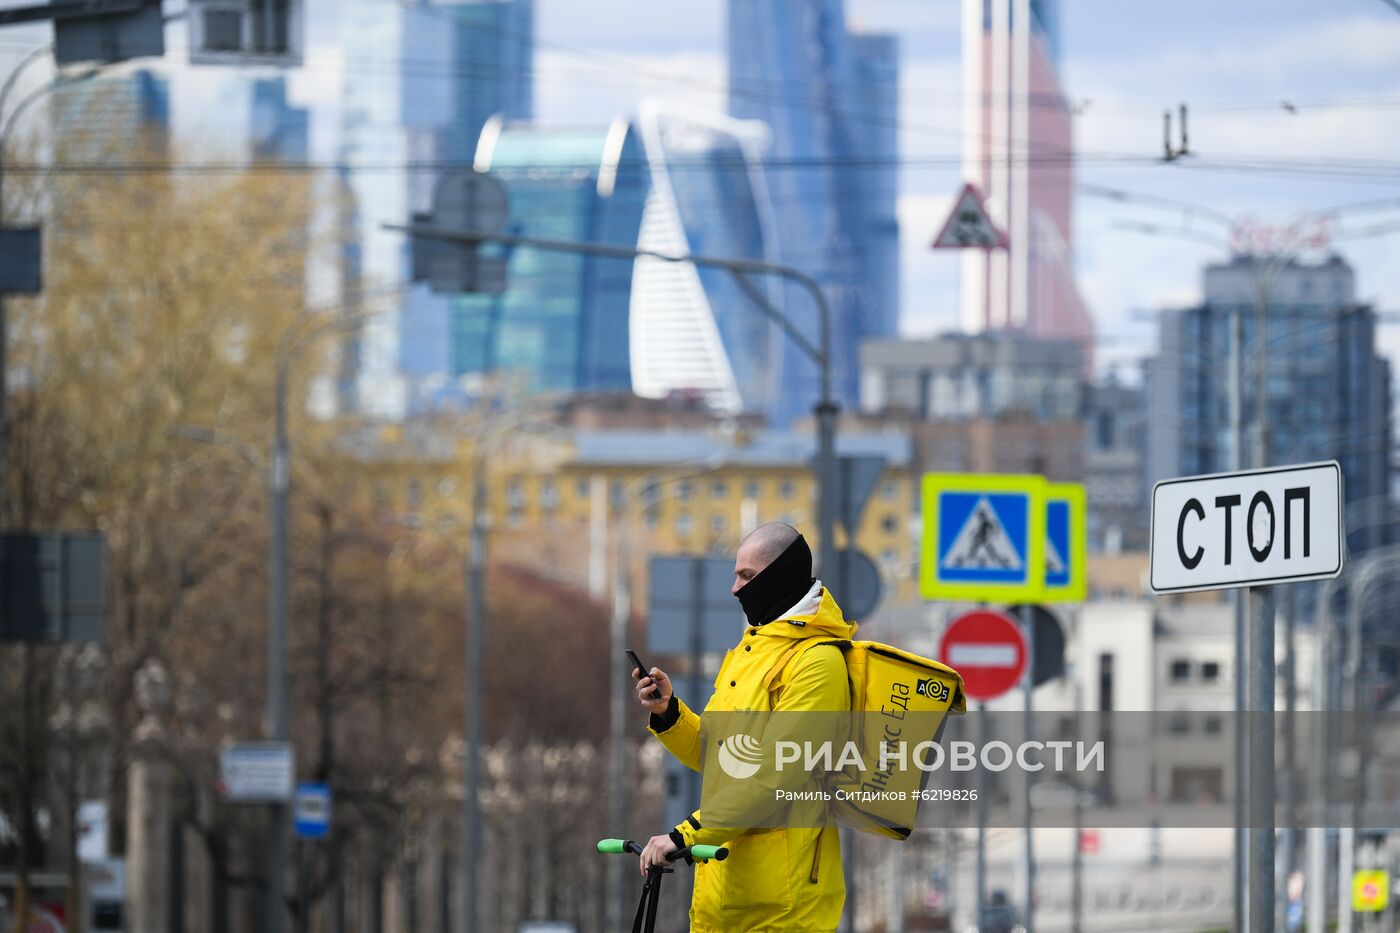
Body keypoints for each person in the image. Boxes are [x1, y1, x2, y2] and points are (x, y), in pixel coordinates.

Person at [632, 522, 854, 932]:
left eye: (747, 577)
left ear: (781, 578)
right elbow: (718, 758)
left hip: (782, 907)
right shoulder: (750, 652)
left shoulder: (818, 664)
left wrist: (685, 835)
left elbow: (773, 776)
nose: (735, 589)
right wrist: (668, 713)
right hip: (725, 894)